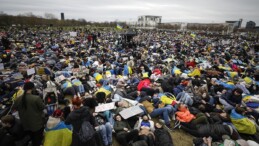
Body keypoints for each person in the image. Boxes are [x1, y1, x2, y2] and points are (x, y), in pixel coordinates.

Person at [12, 82, 45, 146]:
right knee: (37, 140)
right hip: (36, 124)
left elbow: (14, 108)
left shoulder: (18, 99)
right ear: (32, 88)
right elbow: (42, 107)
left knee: (32, 138)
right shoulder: (36, 98)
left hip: (25, 124)